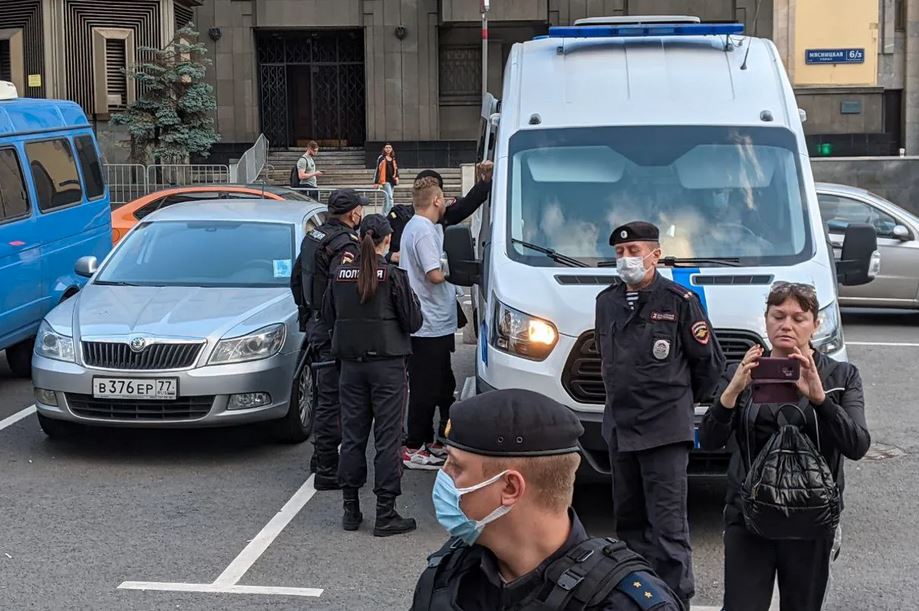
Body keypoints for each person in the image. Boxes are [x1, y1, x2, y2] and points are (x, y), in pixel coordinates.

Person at [410, 389, 684, 611]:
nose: (443, 475)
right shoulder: (450, 576)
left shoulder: (623, 604)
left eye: (456, 467)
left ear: (510, 487)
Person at [699, 282, 870, 611]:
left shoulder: (841, 376)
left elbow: (857, 444)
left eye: (798, 318)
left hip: (812, 517)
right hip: (748, 514)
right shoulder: (742, 371)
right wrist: (732, 392)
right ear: (765, 320)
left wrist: (820, 399)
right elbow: (708, 440)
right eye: (778, 316)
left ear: (815, 324)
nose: (786, 325)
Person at [594, 221, 725, 607]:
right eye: (620, 253)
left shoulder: (679, 301)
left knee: (667, 531)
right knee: (629, 526)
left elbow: (709, 365)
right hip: (621, 429)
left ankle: (674, 602)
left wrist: (677, 404)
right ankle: (636, 600)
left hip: (664, 431)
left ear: (655, 254)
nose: (626, 259)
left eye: (634, 251)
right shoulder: (606, 301)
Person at [323, 214, 423, 536]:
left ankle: (350, 510)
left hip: (351, 367)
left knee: (352, 436)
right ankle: (385, 513)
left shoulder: (339, 275)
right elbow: (413, 321)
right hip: (387, 367)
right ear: (387, 240)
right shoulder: (393, 276)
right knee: (388, 439)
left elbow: (328, 315)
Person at [290, 189, 365, 489]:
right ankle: (326, 467)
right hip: (333, 328)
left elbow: (297, 279)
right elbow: (343, 290)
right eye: (359, 209)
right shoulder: (345, 244)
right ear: (353, 213)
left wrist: (307, 316)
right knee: (333, 400)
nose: (361, 214)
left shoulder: (314, 236)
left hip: (316, 323)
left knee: (325, 396)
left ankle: (319, 458)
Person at [398, 176, 459, 470]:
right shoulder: (422, 230)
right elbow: (434, 274)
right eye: (443, 198)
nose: (445, 203)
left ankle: (432, 440)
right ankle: (413, 446)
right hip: (428, 324)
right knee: (425, 388)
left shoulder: (420, 227)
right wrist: (455, 271)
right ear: (436, 200)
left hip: (434, 323)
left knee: (442, 384)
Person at [386, 161, 494, 264]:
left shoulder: (443, 215)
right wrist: (390, 256)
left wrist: (484, 182)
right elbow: (378, 240)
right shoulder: (399, 215)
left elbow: (467, 204)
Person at [373, 143, 399, 215]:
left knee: (386, 198)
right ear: (384, 149)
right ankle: (391, 214)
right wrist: (376, 182)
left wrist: (397, 177)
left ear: (392, 149)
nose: (388, 149)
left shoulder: (393, 158)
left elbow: (396, 168)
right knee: (390, 197)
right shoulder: (381, 158)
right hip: (385, 180)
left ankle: (384, 214)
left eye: (389, 148)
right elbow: (377, 170)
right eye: (386, 147)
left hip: (392, 180)